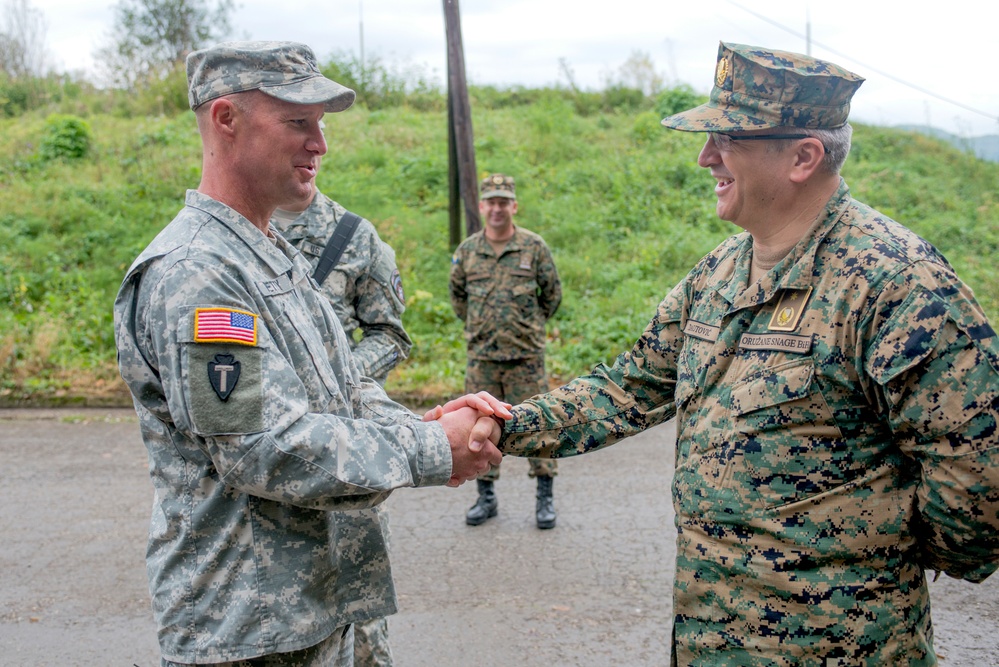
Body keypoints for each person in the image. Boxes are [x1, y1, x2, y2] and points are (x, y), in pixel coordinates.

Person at [456, 42, 999, 664]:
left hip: (840, 647)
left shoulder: (896, 283)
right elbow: (630, 387)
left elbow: (979, 474)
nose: (704, 157)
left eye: (727, 139)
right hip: (712, 638)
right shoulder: (719, 272)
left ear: (803, 157)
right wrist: (510, 424)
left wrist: (870, 562)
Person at [112, 40, 506, 666]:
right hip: (247, 632)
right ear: (226, 119)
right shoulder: (199, 273)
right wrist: (433, 449)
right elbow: (262, 446)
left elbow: (340, 390)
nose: (320, 144)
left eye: (321, 125)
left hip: (309, 613)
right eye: (298, 121)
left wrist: (422, 426)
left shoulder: (267, 255)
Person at [272, 174, 409, 666]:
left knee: (360, 611)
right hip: (268, 446)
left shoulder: (353, 235)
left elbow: (390, 335)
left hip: (345, 447)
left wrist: (333, 375)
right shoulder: (236, 233)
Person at [449, 173, 563, 529]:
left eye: (503, 202)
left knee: (540, 428)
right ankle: (486, 498)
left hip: (526, 359)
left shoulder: (533, 247)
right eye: (491, 202)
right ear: (482, 206)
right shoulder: (467, 251)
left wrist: (526, 327)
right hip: (482, 359)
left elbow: (552, 294)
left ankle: (545, 498)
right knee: (476, 430)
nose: (497, 208)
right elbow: (458, 299)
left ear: (514, 206)